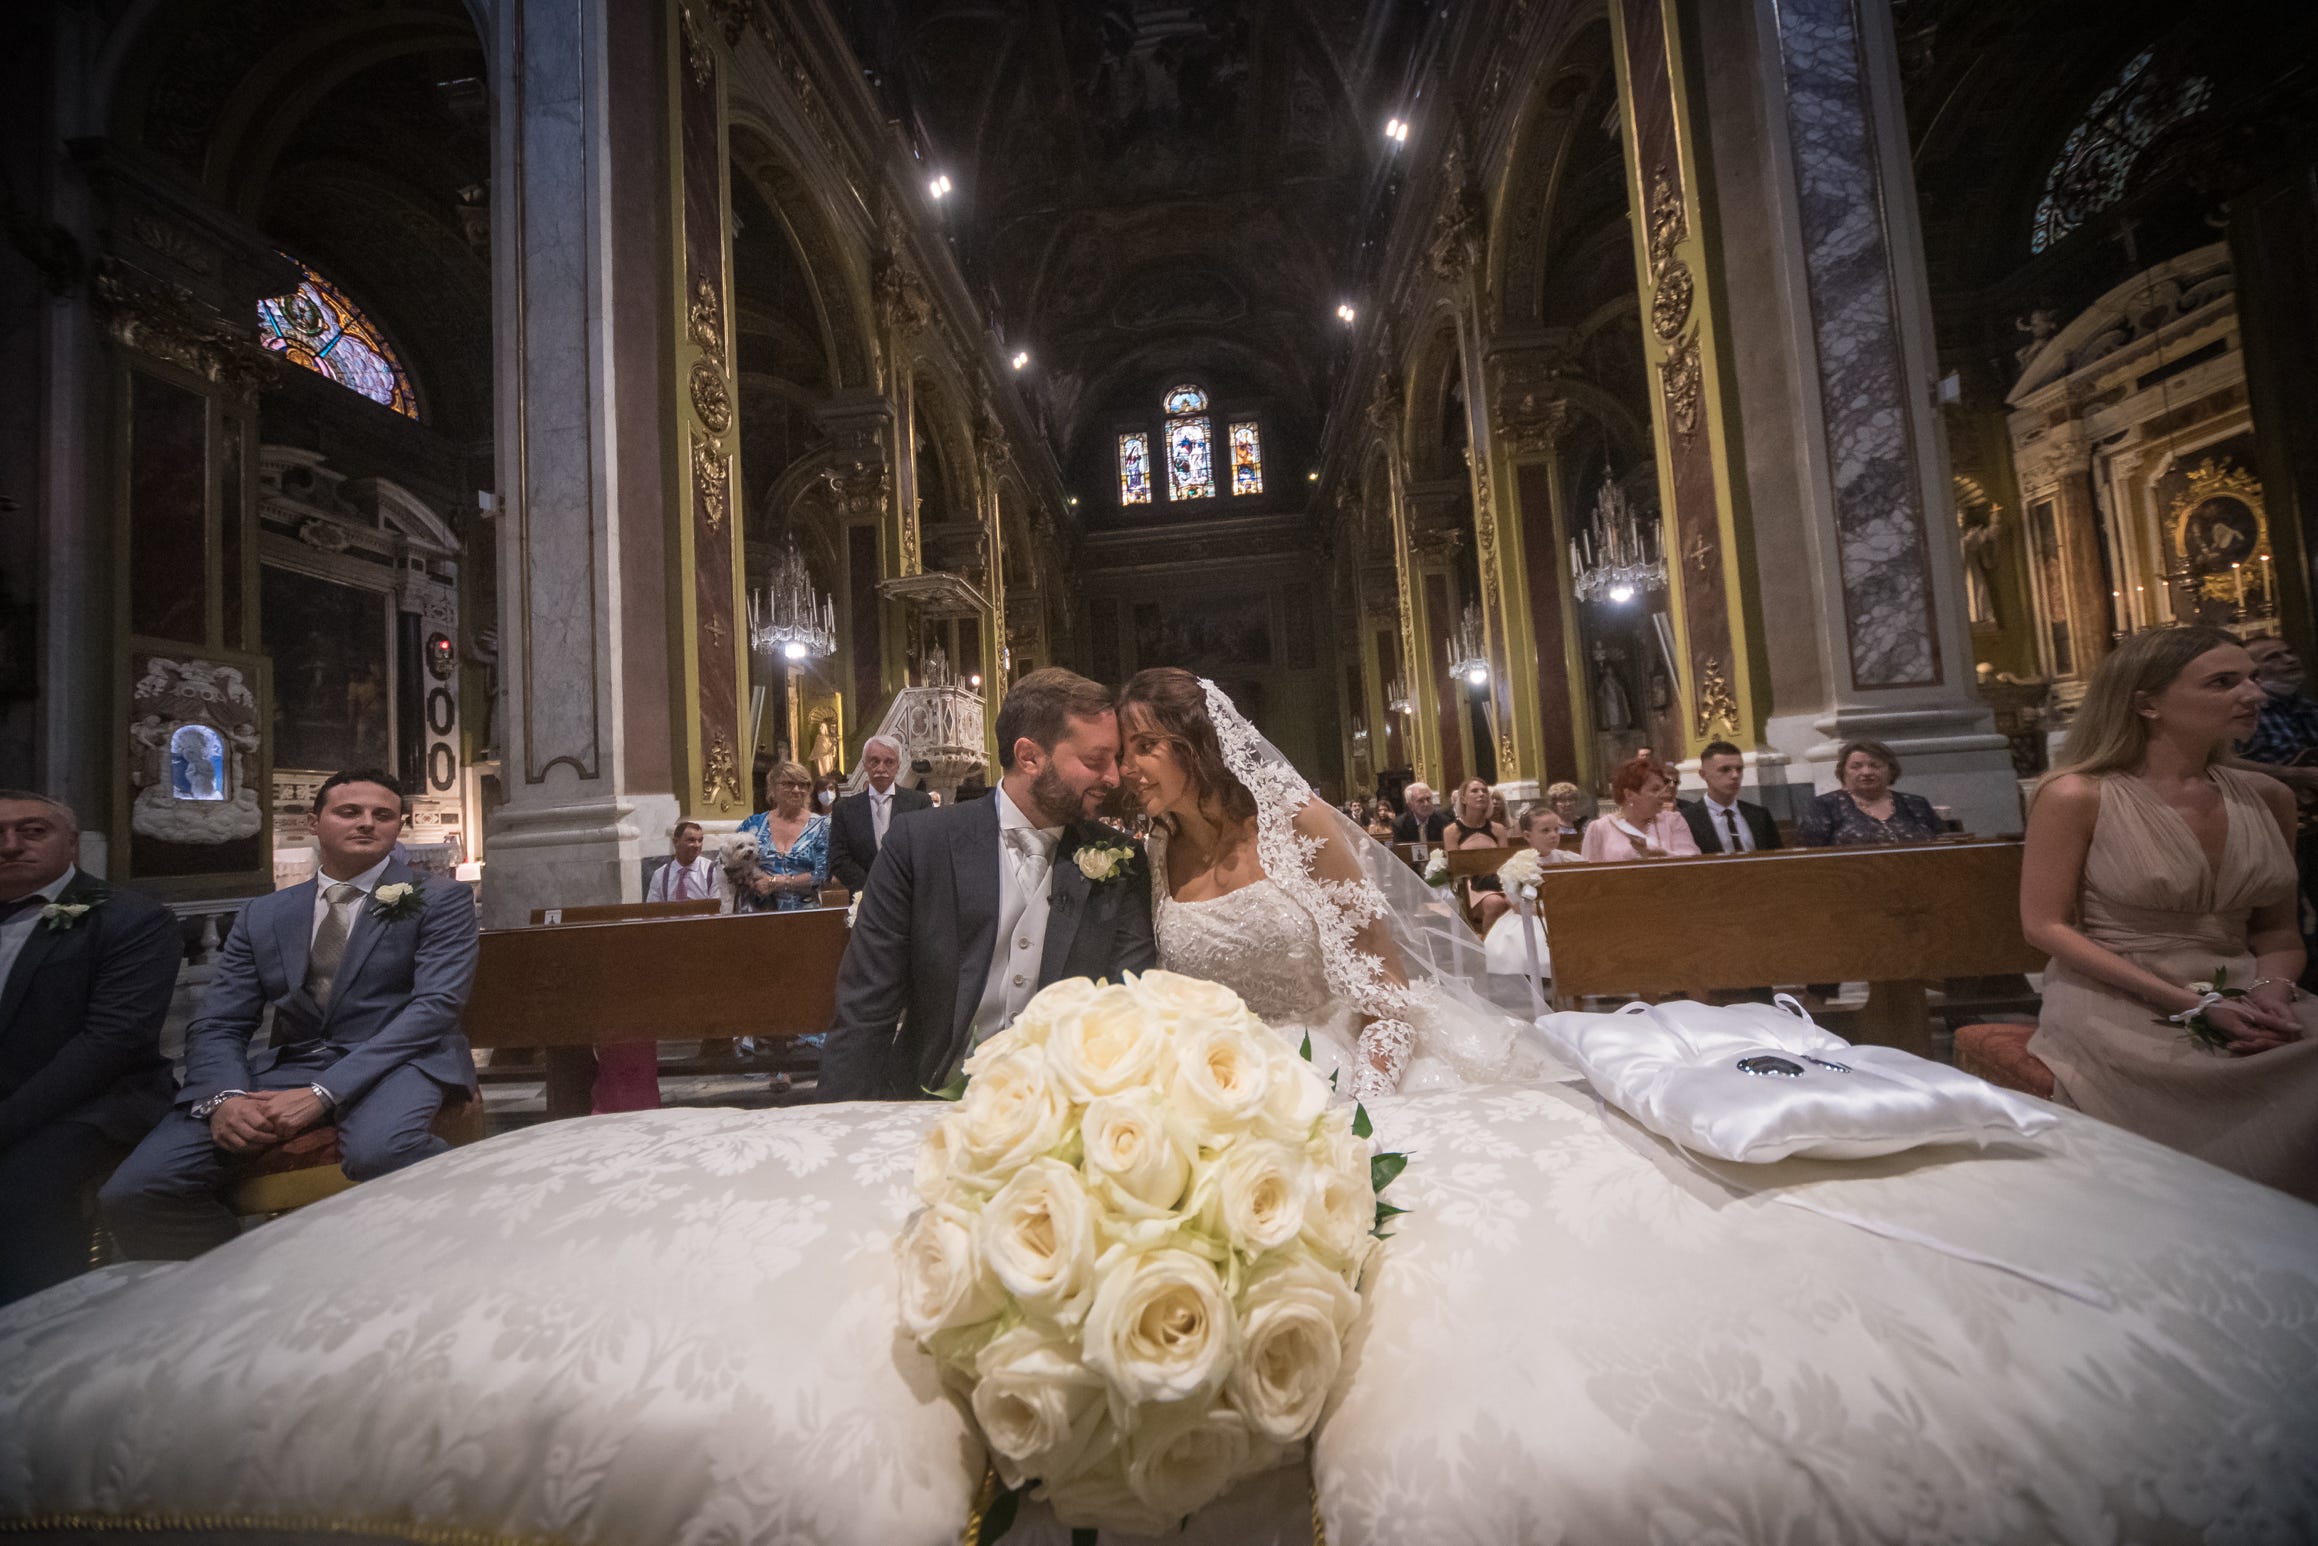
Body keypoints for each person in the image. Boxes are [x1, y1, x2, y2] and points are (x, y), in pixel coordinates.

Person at [101, 770, 480, 1260]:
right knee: (136, 1190)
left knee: (383, 1151)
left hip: (400, 1058)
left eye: (382, 816)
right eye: (349, 812)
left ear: (397, 828)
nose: (367, 823)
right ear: (314, 822)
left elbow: (435, 1008)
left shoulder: (435, 898)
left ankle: (462, 1249)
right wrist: (225, 1097)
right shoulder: (266, 913)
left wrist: (324, 1092)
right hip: (293, 1063)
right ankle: (229, 1287)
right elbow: (220, 1022)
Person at [1119, 668, 1545, 1099]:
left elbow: (1386, 991)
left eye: (1145, 747)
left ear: (1197, 743)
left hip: (1330, 1062)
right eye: (1122, 753)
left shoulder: (1295, 823)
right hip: (1212, 1079)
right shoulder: (1158, 850)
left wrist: (1368, 1101)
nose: (1125, 769)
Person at [2021, 625, 2318, 1201]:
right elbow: (2044, 926)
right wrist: (2195, 1005)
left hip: (2246, 990)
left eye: (2252, 679)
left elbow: (2278, 930)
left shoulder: (2268, 796)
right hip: (2119, 996)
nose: (2253, 694)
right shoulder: (2077, 795)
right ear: (2147, 703)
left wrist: (2274, 993)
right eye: (2224, 682)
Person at [820, 669, 1159, 1102]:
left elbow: (1126, 1004)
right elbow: (866, 1007)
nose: (1114, 777)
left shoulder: (1122, 861)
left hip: (1068, 1107)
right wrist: (842, 1125)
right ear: (1030, 756)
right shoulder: (919, 845)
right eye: (1096, 761)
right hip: (930, 1099)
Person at [0, 792, 181, 1305]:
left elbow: (111, 1043)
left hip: (92, 1103)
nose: (11, 846)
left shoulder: (130, 919)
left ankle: (37, 1340)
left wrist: (6, 1121)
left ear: (72, 844)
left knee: (19, 1191)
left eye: (33, 831)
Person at [1482, 804, 1587, 981]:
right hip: (1531, 913)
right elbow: (1516, 904)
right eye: (1545, 831)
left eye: (1556, 829)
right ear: (1528, 836)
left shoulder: (1568, 859)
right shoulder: (1518, 865)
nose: (1553, 835)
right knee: (1534, 937)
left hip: (1566, 911)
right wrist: (1548, 912)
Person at [828, 735, 932, 894]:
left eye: (889, 762)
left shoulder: (919, 803)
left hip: (908, 895)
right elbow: (838, 858)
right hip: (863, 896)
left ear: (898, 765)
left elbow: (926, 850)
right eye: (874, 761)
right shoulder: (844, 809)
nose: (881, 768)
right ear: (864, 765)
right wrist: (871, 887)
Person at [1797, 740, 1944, 845]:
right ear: (1842, 772)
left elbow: (1943, 844)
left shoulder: (1916, 803)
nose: (1866, 772)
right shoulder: (1824, 806)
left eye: (1875, 765)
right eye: (1856, 766)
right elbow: (1811, 857)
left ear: (1891, 770)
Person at [734, 761, 830, 911]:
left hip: (804, 914)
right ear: (773, 787)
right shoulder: (753, 824)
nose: (797, 790)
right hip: (756, 911)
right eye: (788, 784)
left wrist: (779, 882)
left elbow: (824, 873)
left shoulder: (822, 825)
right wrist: (751, 880)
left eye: (803, 784)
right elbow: (730, 862)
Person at [1581, 755, 1701, 861]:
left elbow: (1692, 862)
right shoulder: (1599, 828)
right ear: (1629, 794)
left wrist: (1661, 854)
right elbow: (1589, 876)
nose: (1664, 794)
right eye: (1655, 789)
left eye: (1662, 788)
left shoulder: (1673, 821)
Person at [1681, 740, 1782, 855]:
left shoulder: (1759, 815)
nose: (1735, 775)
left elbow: (1778, 859)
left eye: (1739, 769)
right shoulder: (1687, 819)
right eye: (1725, 769)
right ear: (1703, 774)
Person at [1440, 777, 1513, 931]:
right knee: (1496, 903)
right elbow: (1455, 868)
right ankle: (1486, 949)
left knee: (1516, 901)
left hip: (1497, 881)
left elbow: (1505, 862)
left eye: (1484, 791)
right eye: (1475, 791)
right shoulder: (1452, 831)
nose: (1481, 794)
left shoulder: (1498, 829)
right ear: (1463, 799)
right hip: (1469, 886)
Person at [644, 820, 716, 904]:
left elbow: (718, 908)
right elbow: (653, 911)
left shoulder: (712, 871)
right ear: (676, 842)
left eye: (700, 840)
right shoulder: (660, 875)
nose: (697, 845)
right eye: (691, 840)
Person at [1391, 781, 1450, 845]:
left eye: (1428, 799)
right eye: (1420, 801)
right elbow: (1401, 852)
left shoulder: (1443, 821)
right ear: (1410, 805)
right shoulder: (1400, 825)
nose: (1426, 804)